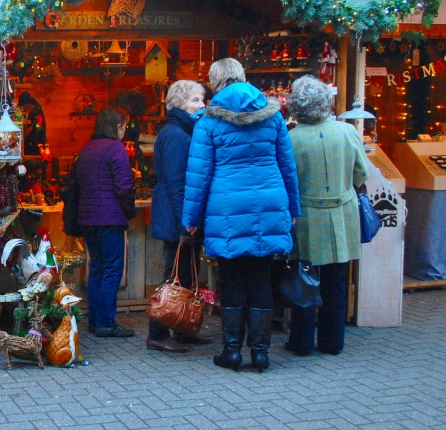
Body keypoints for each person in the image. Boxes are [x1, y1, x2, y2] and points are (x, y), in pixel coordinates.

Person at [182, 58, 300, 373]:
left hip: (227, 208)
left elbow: (199, 175)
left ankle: (232, 351)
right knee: (261, 279)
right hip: (269, 204)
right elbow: (287, 167)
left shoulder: (208, 121)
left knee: (231, 278)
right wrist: (293, 209)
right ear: (243, 77)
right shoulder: (273, 116)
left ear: (215, 82)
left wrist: (191, 218)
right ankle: (260, 354)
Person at [285, 76, 368, 357]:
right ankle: (333, 341)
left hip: (307, 214)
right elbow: (360, 174)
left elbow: (288, 182)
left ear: (294, 106)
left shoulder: (291, 138)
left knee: (304, 278)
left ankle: (301, 341)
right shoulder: (347, 132)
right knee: (337, 279)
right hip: (342, 212)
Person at [147, 80, 213, 353]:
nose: (202, 105)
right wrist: (187, 222)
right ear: (179, 104)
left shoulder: (183, 130)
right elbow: (177, 183)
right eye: (195, 100)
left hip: (181, 215)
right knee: (173, 276)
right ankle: (158, 333)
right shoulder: (176, 134)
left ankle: (182, 327)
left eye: (202, 99)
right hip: (178, 216)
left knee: (185, 275)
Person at [75, 107, 136, 338]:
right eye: (124, 126)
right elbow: (124, 187)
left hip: (88, 219)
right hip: (109, 219)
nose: (125, 131)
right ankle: (106, 323)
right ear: (117, 126)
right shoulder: (115, 149)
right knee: (112, 270)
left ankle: (95, 321)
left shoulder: (87, 149)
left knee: (98, 268)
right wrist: (129, 211)